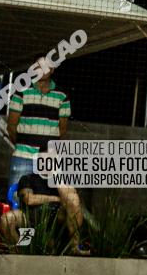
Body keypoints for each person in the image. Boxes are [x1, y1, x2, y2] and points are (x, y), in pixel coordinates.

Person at [7, 56, 71, 187]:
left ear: (52, 69)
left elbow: (63, 130)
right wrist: (22, 145)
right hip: (22, 156)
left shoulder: (62, 95)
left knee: (46, 203)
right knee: (15, 198)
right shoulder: (21, 92)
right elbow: (11, 126)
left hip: (48, 159)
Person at [9, 171, 88, 256]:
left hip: (57, 218)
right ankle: (21, 253)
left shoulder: (62, 180)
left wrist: (56, 176)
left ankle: (73, 247)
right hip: (31, 217)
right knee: (8, 219)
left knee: (73, 199)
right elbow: (29, 199)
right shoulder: (28, 178)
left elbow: (72, 200)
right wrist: (57, 198)